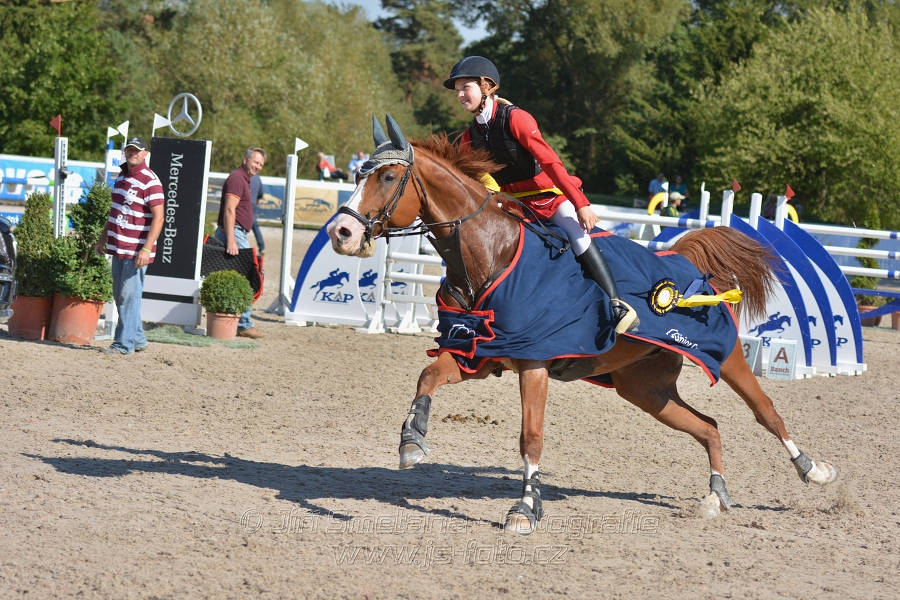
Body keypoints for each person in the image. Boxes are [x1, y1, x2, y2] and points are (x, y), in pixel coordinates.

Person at [444, 56, 638, 332]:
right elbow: (477, 181)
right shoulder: (467, 137)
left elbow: (550, 163)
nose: (461, 95)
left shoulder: (517, 118)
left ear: (486, 86)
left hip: (549, 196)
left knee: (577, 233)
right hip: (514, 205)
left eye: (466, 87)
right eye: (458, 90)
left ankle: (616, 304)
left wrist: (580, 203)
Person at [95, 136, 164, 355]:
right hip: (118, 247)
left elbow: (159, 217)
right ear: (125, 152)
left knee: (127, 296)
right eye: (129, 149)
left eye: (137, 150)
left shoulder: (151, 180)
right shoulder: (121, 177)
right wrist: (103, 238)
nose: (133, 153)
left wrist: (146, 248)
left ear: (145, 154)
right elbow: (115, 211)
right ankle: (138, 339)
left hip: (136, 250)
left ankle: (123, 344)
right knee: (122, 296)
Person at [215, 146, 267, 339]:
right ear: (245, 159)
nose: (258, 166)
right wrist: (231, 239)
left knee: (233, 274)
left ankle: (234, 321)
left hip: (234, 231)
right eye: (256, 162)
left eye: (261, 164)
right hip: (234, 232)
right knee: (249, 273)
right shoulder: (237, 179)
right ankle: (244, 323)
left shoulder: (244, 179)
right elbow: (229, 210)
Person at [249, 173, 265, 256]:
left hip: (245, 204)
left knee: (241, 225)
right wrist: (258, 199)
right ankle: (262, 247)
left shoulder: (246, 177)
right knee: (255, 226)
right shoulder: (258, 178)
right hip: (253, 204)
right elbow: (261, 192)